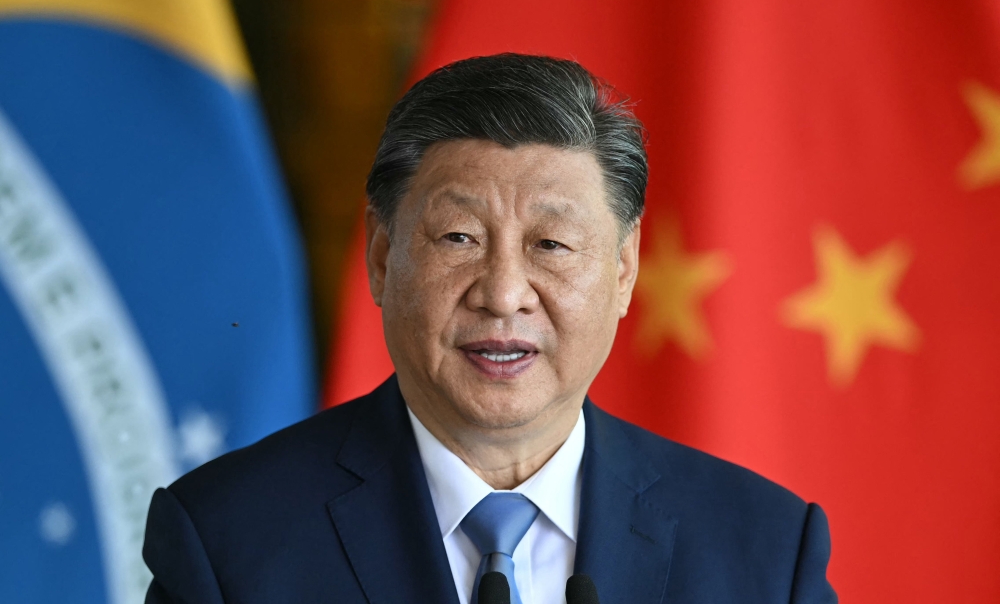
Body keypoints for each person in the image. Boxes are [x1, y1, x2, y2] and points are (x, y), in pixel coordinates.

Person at [142, 54, 837, 604]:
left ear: (624, 272)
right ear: (383, 258)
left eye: (552, 245)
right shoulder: (229, 542)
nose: (504, 294)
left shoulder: (764, 551)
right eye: (459, 237)